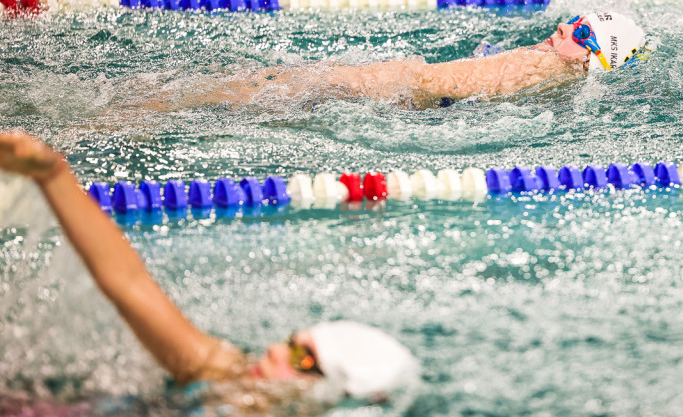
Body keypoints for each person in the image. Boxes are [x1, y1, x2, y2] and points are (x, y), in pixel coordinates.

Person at [0, 130, 419, 397]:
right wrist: (53, 173)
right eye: (291, 343)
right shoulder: (221, 370)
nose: (275, 350)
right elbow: (129, 284)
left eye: (301, 360)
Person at [143, 12, 654, 111]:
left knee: (267, 88)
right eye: (574, 19)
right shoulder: (559, 72)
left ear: (593, 59)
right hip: (410, 95)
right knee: (271, 95)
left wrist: (390, 83)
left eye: (581, 31)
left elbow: (438, 83)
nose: (564, 27)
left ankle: (154, 107)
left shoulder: (548, 66)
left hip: (402, 86)